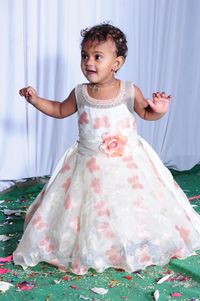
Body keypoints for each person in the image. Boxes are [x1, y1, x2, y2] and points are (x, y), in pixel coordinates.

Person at [13, 23, 200, 275]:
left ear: (116, 63)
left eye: (97, 56)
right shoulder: (80, 93)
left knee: (129, 208)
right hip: (87, 168)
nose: (89, 62)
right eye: (85, 56)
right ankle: (95, 243)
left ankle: (131, 240)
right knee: (91, 212)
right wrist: (34, 100)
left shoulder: (128, 90)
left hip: (129, 167)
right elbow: (59, 110)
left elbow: (146, 113)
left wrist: (159, 110)